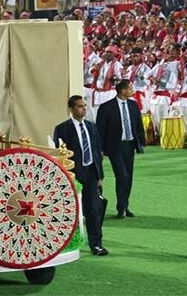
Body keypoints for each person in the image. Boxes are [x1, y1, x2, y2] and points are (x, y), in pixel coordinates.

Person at [53, 96, 108, 256]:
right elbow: (59, 153)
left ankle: (96, 244)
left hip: (91, 172)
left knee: (93, 210)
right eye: (79, 106)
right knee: (70, 210)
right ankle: (65, 244)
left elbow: (97, 151)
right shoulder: (62, 128)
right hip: (73, 173)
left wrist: (100, 176)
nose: (83, 109)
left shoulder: (92, 127)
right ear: (70, 109)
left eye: (84, 106)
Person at [96, 80, 145, 219]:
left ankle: (124, 205)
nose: (132, 90)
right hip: (114, 147)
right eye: (130, 88)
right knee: (122, 175)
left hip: (129, 145)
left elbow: (138, 124)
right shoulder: (106, 107)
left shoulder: (133, 105)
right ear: (123, 91)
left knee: (128, 177)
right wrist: (100, 149)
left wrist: (140, 142)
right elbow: (100, 130)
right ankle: (121, 208)